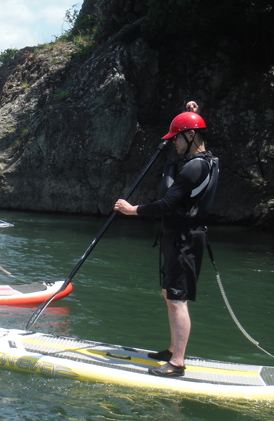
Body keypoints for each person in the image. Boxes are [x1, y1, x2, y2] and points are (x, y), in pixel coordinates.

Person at [113, 106, 219, 377]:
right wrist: (189, 112)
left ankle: (177, 363)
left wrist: (132, 209)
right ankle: (173, 349)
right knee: (168, 292)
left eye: (177, 137)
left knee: (177, 299)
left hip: (184, 239)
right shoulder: (207, 160)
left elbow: (167, 203)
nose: (173, 141)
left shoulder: (194, 167)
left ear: (192, 136)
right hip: (177, 237)